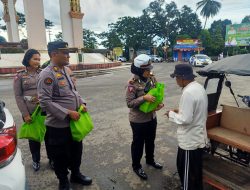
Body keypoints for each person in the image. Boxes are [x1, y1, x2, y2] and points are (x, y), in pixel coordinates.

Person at [37, 41, 92, 190]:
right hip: (58, 126)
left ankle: (76, 174)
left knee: (76, 151)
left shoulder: (65, 70)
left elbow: (73, 92)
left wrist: (82, 103)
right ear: (54, 54)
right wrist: (67, 112)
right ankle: (63, 181)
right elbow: (45, 102)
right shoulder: (47, 74)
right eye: (65, 52)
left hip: (74, 123)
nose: (68, 55)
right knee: (60, 156)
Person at [166, 64, 208, 190]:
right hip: (198, 138)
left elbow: (185, 119)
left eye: (176, 77)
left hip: (190, 142)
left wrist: (171, 114)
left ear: (182, 78)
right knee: (196, 173)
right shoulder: (198, 87)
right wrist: (181, 110)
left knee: (187, 176)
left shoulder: (188, 92)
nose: (176, 81)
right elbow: (196, 109)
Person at [125, 54, 164, 180]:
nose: (149, 71)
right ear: (139, 70)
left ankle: (150, 160)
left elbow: (157, 93)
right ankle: (136, 166)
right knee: (138, 144)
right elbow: (129, 103)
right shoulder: (132, 84)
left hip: (152, 117)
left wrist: (159, 104)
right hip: (138, 121)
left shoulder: (152, 79)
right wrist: (143, 98)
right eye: (147, 70)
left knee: (150, 141)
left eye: (149, 69)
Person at [13, 49, 51, 171]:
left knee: (49, 137)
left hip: (45, 111)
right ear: (27, 59)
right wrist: (25, 114)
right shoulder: (19, 76)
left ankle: (52, 160)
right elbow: (18, 96)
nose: (37, 61)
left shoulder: (43, 73)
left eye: (39, 59)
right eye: (35, 59)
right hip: (31, 113)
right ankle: (36, 160)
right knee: (34, 138)